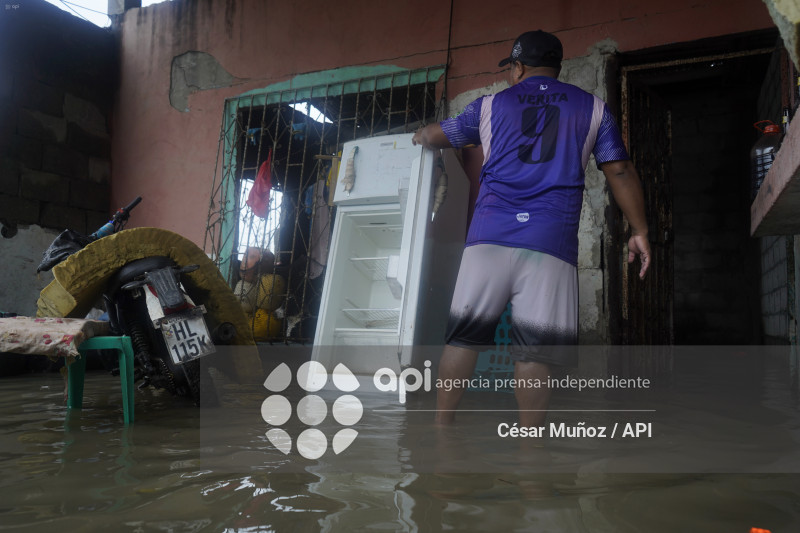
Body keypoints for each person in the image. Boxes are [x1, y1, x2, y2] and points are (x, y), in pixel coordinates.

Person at [412, 30, 651, 426]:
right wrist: (639, 229)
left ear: (518, 67)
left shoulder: (488, 106)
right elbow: (619, 169)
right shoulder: (594, 109)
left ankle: (441, 431)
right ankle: (529, 448)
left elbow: (440, 134)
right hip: (548, 243)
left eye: (511, 69)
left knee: (462, 337)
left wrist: (421, 134)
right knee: (533, 352)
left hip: (487, 239)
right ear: (556, 66)